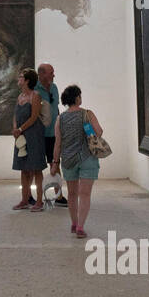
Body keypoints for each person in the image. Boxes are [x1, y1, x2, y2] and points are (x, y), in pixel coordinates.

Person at [50, 84, 102, 236]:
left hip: (68, 160)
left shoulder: (60, 118)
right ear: (77, 97)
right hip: (87, 158)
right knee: (84, 194)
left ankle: (73, 223)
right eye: (80, 95)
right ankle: (80, 226)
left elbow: (58, 143)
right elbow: (98, 132)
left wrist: (55, 163)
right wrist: (88, 130)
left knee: (72, 194)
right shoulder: (87, 114)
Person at [10, 68, 46, 211]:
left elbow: (34, 117)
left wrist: (20, 129)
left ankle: (39, 201)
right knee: (24, 168)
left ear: (27, 81)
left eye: (21, 77)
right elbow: (15, 115)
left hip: (33, 135)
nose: (18, 79)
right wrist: (15, 128)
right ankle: (24, 200)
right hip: (21, 135)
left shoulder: (35, 96)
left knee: (36, 168)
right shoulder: (20, 97)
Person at [34, 64, 67, 207]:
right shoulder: (34, 89)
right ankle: (36, 199)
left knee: (55, 163)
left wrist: (60, 128)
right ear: (41, 74)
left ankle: (59, 196)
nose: (54, 75)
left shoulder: (54, 88)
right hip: (38, 135)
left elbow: (56, 109)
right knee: (35, 167)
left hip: (54, 134)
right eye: (51, 72)